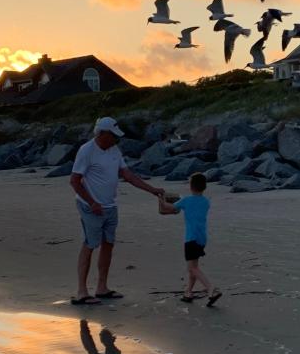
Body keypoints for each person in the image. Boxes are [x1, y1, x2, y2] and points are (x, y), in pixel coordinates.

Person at [70, 116, 165, 305]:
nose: (116, 139)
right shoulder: (87, 150)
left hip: (110, 206)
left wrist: (152, 190)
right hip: (90, 207)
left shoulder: (114, 149)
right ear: (102, 134)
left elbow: (127, 174)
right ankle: (82, 291)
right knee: (90, 244)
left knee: (108, 244)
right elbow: (74, 181)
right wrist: (92, 203)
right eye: (113, 136)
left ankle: (102, 288)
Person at [158, 172, 222, 306]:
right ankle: (188, 292)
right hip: (202, 238)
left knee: (192, 268)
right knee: (193, 266)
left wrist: (160, 198)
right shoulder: (206, 201)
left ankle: (211, 289)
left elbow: (167, 208)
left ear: (191, 186)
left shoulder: (186, 200)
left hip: (191, 238)